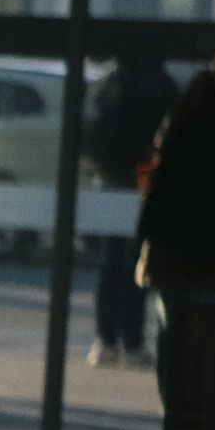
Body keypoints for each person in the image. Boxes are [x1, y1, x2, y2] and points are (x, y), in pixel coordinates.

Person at [87, 52, 178, 366]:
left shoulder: (108, 83)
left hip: (111, 178)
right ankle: (133, 340)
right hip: (145, 177)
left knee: (110, 261)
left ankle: (106, 339)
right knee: (136, 261)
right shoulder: (162, 85)